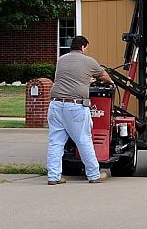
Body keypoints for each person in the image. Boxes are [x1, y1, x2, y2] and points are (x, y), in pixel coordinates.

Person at [46, 35, 114, 185]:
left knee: (56, 142)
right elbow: (103, 75)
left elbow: (66, 78)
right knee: (84, 140)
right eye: (87, 48)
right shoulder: (88, 61)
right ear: (83, 47)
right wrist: (111, 82)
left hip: (55, 105)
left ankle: (53, 176)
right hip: (75, 106)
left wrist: (86, 80)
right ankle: (94, 175)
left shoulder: (61, 60)